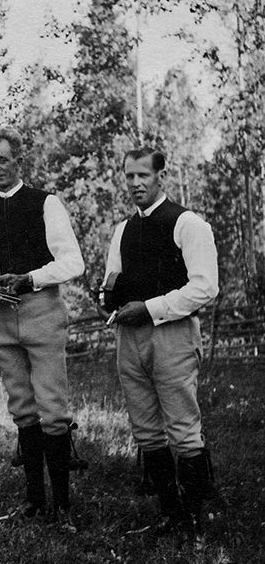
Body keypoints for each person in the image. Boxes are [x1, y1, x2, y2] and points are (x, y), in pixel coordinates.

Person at [0, 127, 85, 526]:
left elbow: (73, 261)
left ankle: (62, 505)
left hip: (40, 310)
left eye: (3, 160)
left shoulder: (46, 203)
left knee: (52, 410)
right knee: (22, 409)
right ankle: (34, 500)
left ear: (19, 162)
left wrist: (30, 278)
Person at [101, 148, 219, 536]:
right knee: (146, 429)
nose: (136, 183)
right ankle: (171, 513)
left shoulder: (187, 223)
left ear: (160, 176)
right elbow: (113, 281)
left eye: (143, 175)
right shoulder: (122, 230)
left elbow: (205, 287)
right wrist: (108, 301)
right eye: (129, 176)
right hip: (130, 337)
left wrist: (151, 308)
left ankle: (195, 518)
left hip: (172, 334)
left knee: (182, 427)